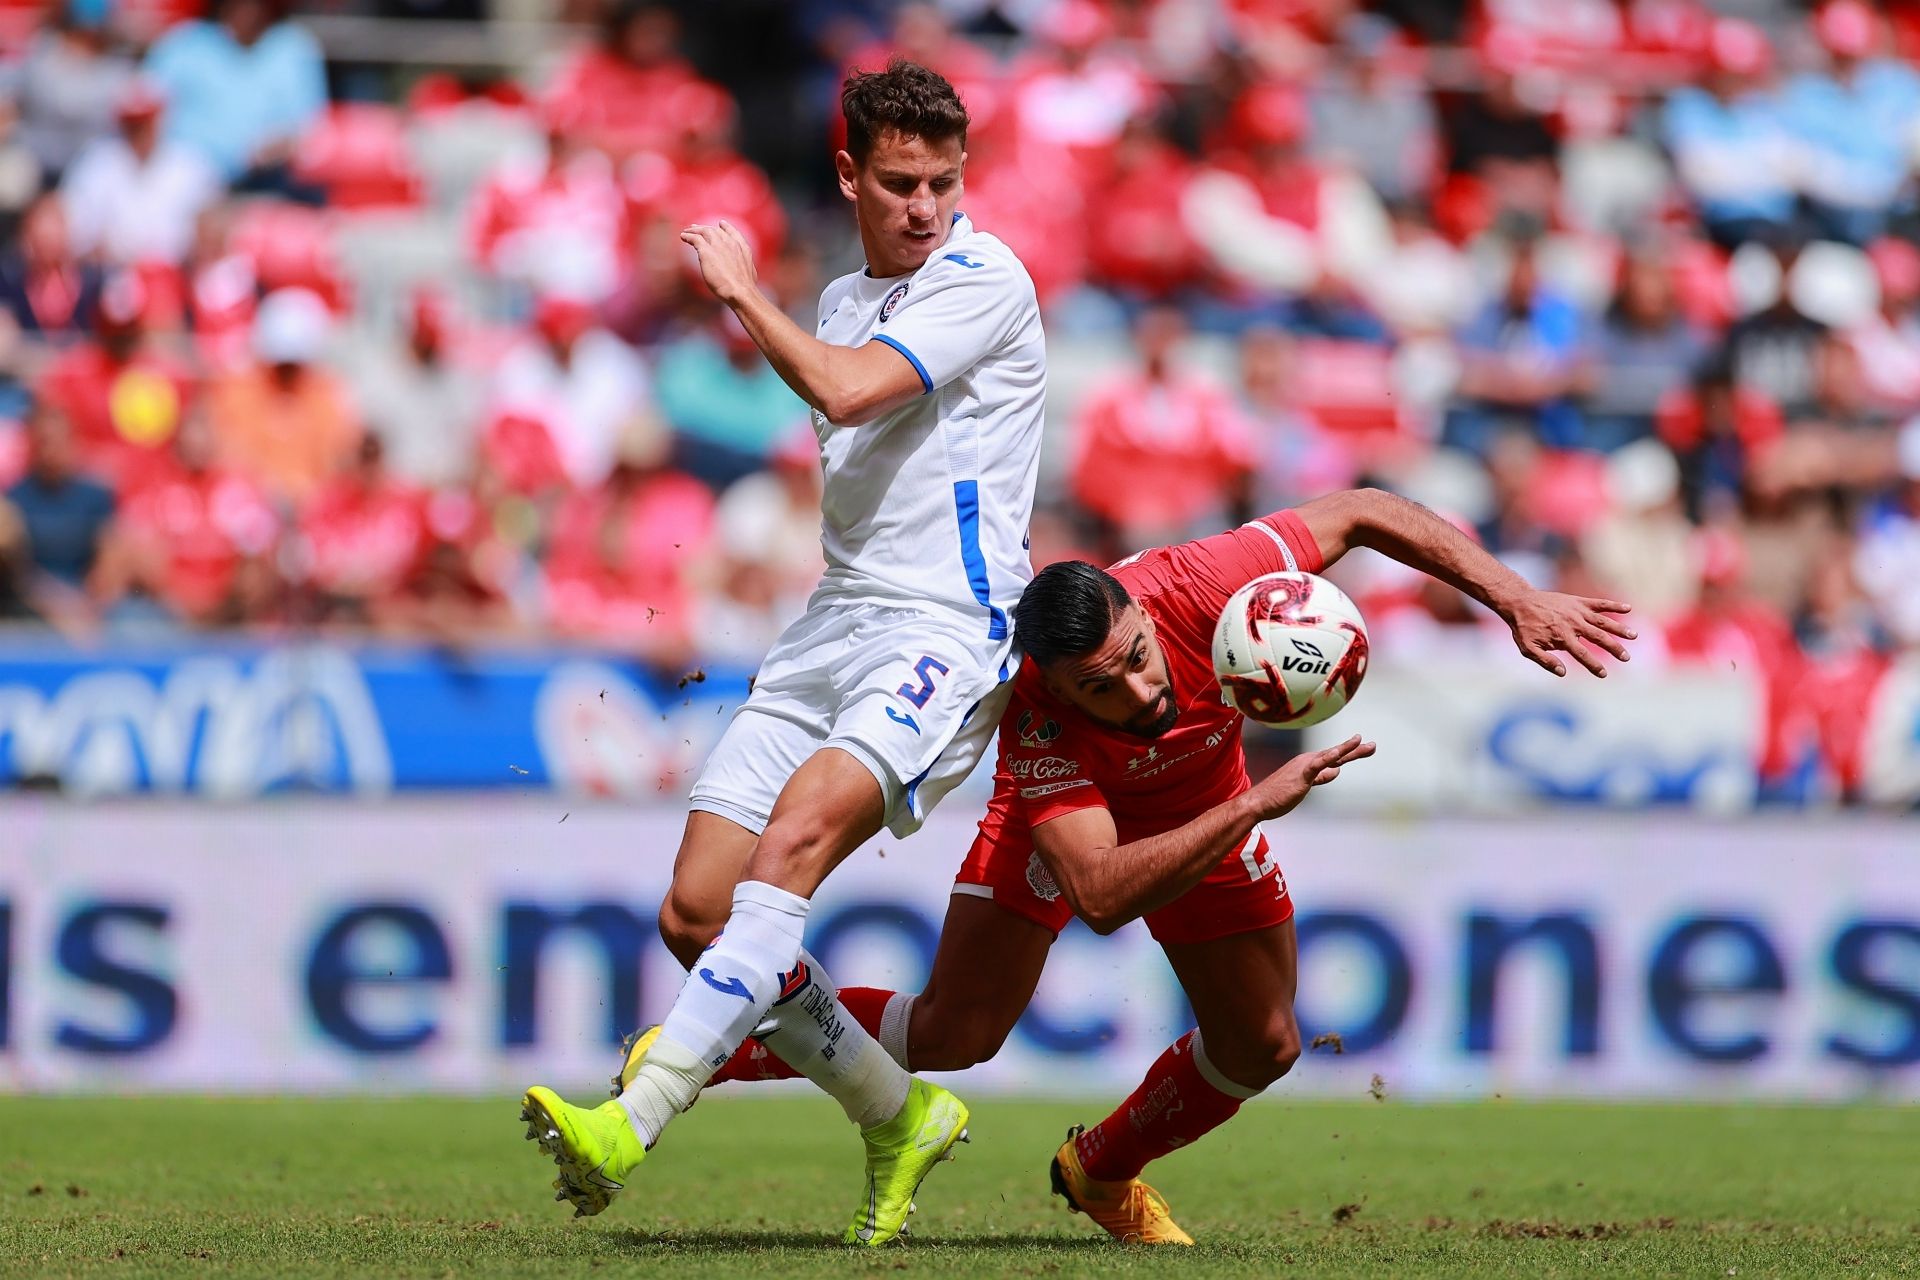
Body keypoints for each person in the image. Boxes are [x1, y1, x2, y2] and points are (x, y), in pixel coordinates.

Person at [611, 487, 1635, 1244]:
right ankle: (717, 1046)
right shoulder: (1040, 726)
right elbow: (1099, 892)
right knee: (959, 1033)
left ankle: (1099, 1165)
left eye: (1140, 655)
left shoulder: (1198, 578)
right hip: (1081, 826)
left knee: (1266, 1041)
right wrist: (1254, 803)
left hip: (1201, 802)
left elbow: (1365, 511)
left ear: (1142, 615)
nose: (1142, 689)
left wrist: (1512, 595)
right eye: (1104, 684)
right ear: (1055, 683)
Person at [518, 59, 1047, 1248]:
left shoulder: (983, 274)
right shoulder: (848, 297)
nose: (927, 207)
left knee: (795, 844)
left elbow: (853, 397)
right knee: (699, 912)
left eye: (946, 182)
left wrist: (741, 294)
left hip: (945, 630)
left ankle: (633, 1118)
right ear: (852, 174)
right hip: (833, 620)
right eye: (903, 183)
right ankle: (897, 1113)